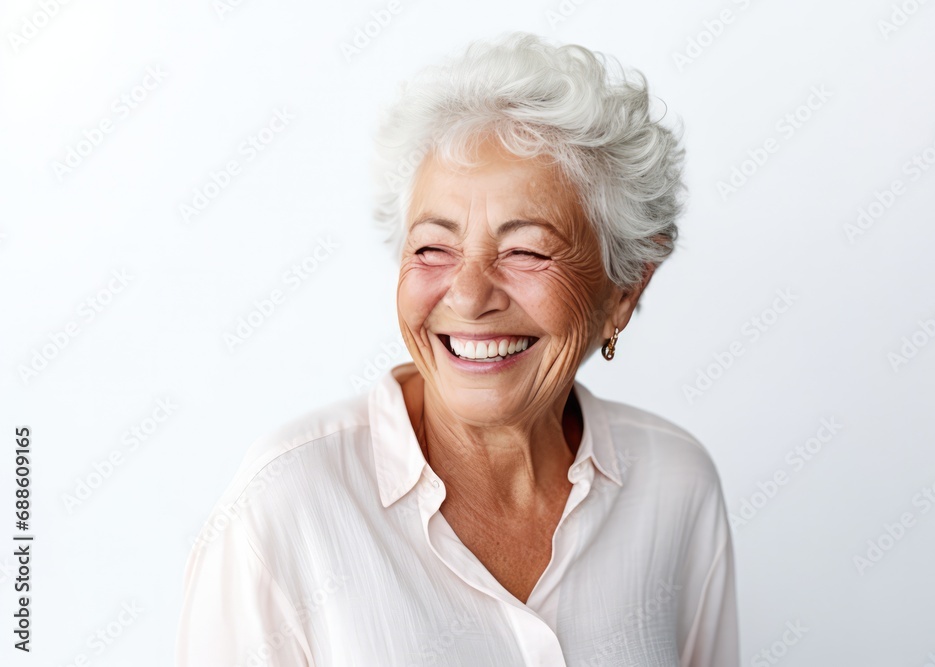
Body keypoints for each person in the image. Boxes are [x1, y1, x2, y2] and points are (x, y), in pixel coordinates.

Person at [176, 31, 738, 666]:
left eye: (526, 250)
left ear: (624, 291)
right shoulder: (286, 503)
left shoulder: (675, 483)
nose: (469, 297)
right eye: (433, 248)